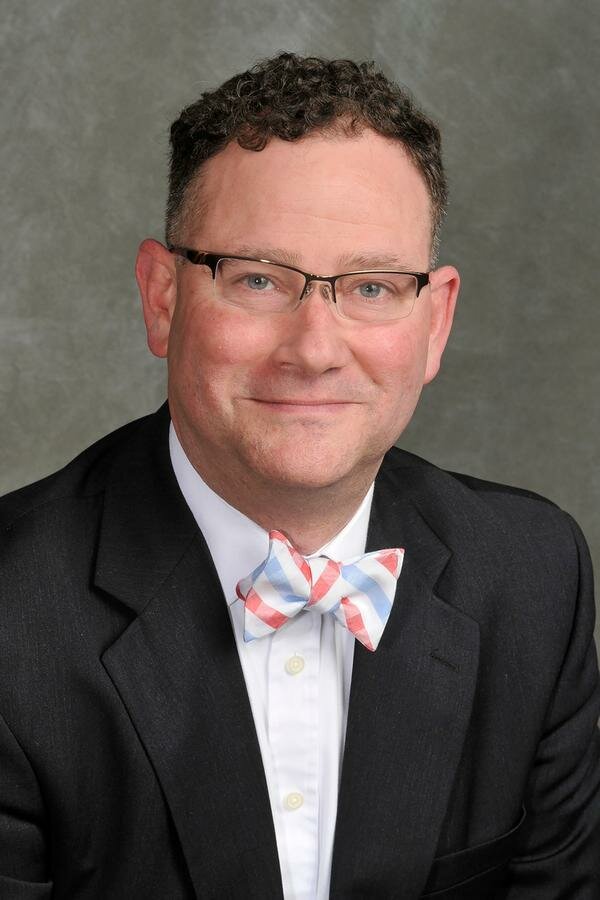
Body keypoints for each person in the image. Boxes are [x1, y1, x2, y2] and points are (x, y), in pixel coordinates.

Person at [0, 51, 598, 900]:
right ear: (162, 298)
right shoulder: (14, 614)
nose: (315, 350)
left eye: (372, 288)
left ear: (435, 323)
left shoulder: (534, 577)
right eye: (257, 278)